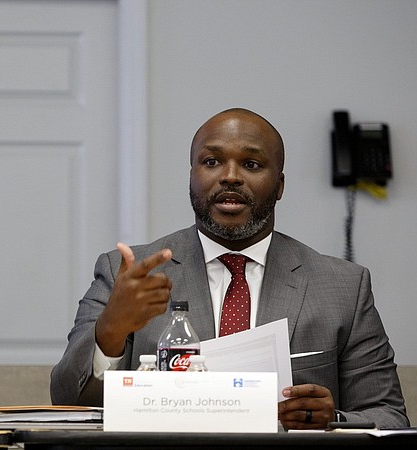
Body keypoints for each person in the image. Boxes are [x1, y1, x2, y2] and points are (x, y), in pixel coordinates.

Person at [50, 108, 409, 430]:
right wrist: (110, 330)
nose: (230, 177)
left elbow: (389, 416)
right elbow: (68, 403)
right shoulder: (126, 274)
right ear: (191, 176)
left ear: (279, 185)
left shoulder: (343, 286)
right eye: (211, 162)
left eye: (251, 165)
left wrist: (333, 421)